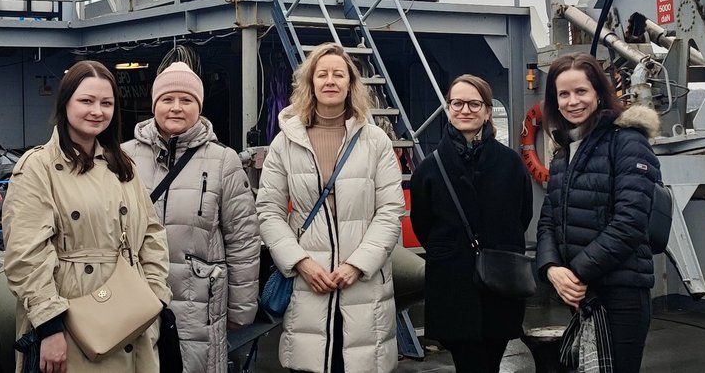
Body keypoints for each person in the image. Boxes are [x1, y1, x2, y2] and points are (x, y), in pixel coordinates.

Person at [2, 60, 171, 373]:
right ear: (65, 102)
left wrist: (155, 296)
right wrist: (49, 328)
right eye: (86, 101)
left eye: (106, 103)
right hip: (71, 321)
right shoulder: (37, 167)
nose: (97, 111)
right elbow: (25, 255)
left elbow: (151, 233)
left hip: (132, 317)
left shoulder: (122, 166)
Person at [255, 42, 405, 373]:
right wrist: (301, 263)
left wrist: (357, 264)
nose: (330, 81)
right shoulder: (286, 142)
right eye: (322, 74)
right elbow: (268, 210)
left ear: (351, 84)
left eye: (339, 74)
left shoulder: (376, 140)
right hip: (310, 282)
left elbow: (390, 210)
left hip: (363, 283)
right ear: (310, 83)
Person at [122, 61, 261, 372]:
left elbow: (243, 238)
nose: (176, 108)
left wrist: (242, 307)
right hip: (137, 296)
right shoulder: (124, 157)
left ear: (199, 106)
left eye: (186, 100)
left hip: (199, 303)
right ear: (154, 104)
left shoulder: (223, 160)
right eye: (167, 99)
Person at [535, 53, 662, 373]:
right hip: (583, 293)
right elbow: (549, 219)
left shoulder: (628, 141)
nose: (572, 101)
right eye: (563, 94)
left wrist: (574, 273)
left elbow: (630, 222)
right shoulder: (563, 152)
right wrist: (551, 268)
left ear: (598, 93)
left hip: (621, 295)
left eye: (581, 92)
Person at [409, 74, 533, 372]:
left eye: (474, 103)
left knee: (491, 359)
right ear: (448, 108)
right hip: (454, 284)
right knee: (468, 362)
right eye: (458, 103)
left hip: (499, 282)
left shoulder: (510, 163)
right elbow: (422, 224)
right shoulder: (430, 168)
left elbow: (522, 214)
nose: (466, 110)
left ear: (488, 111)